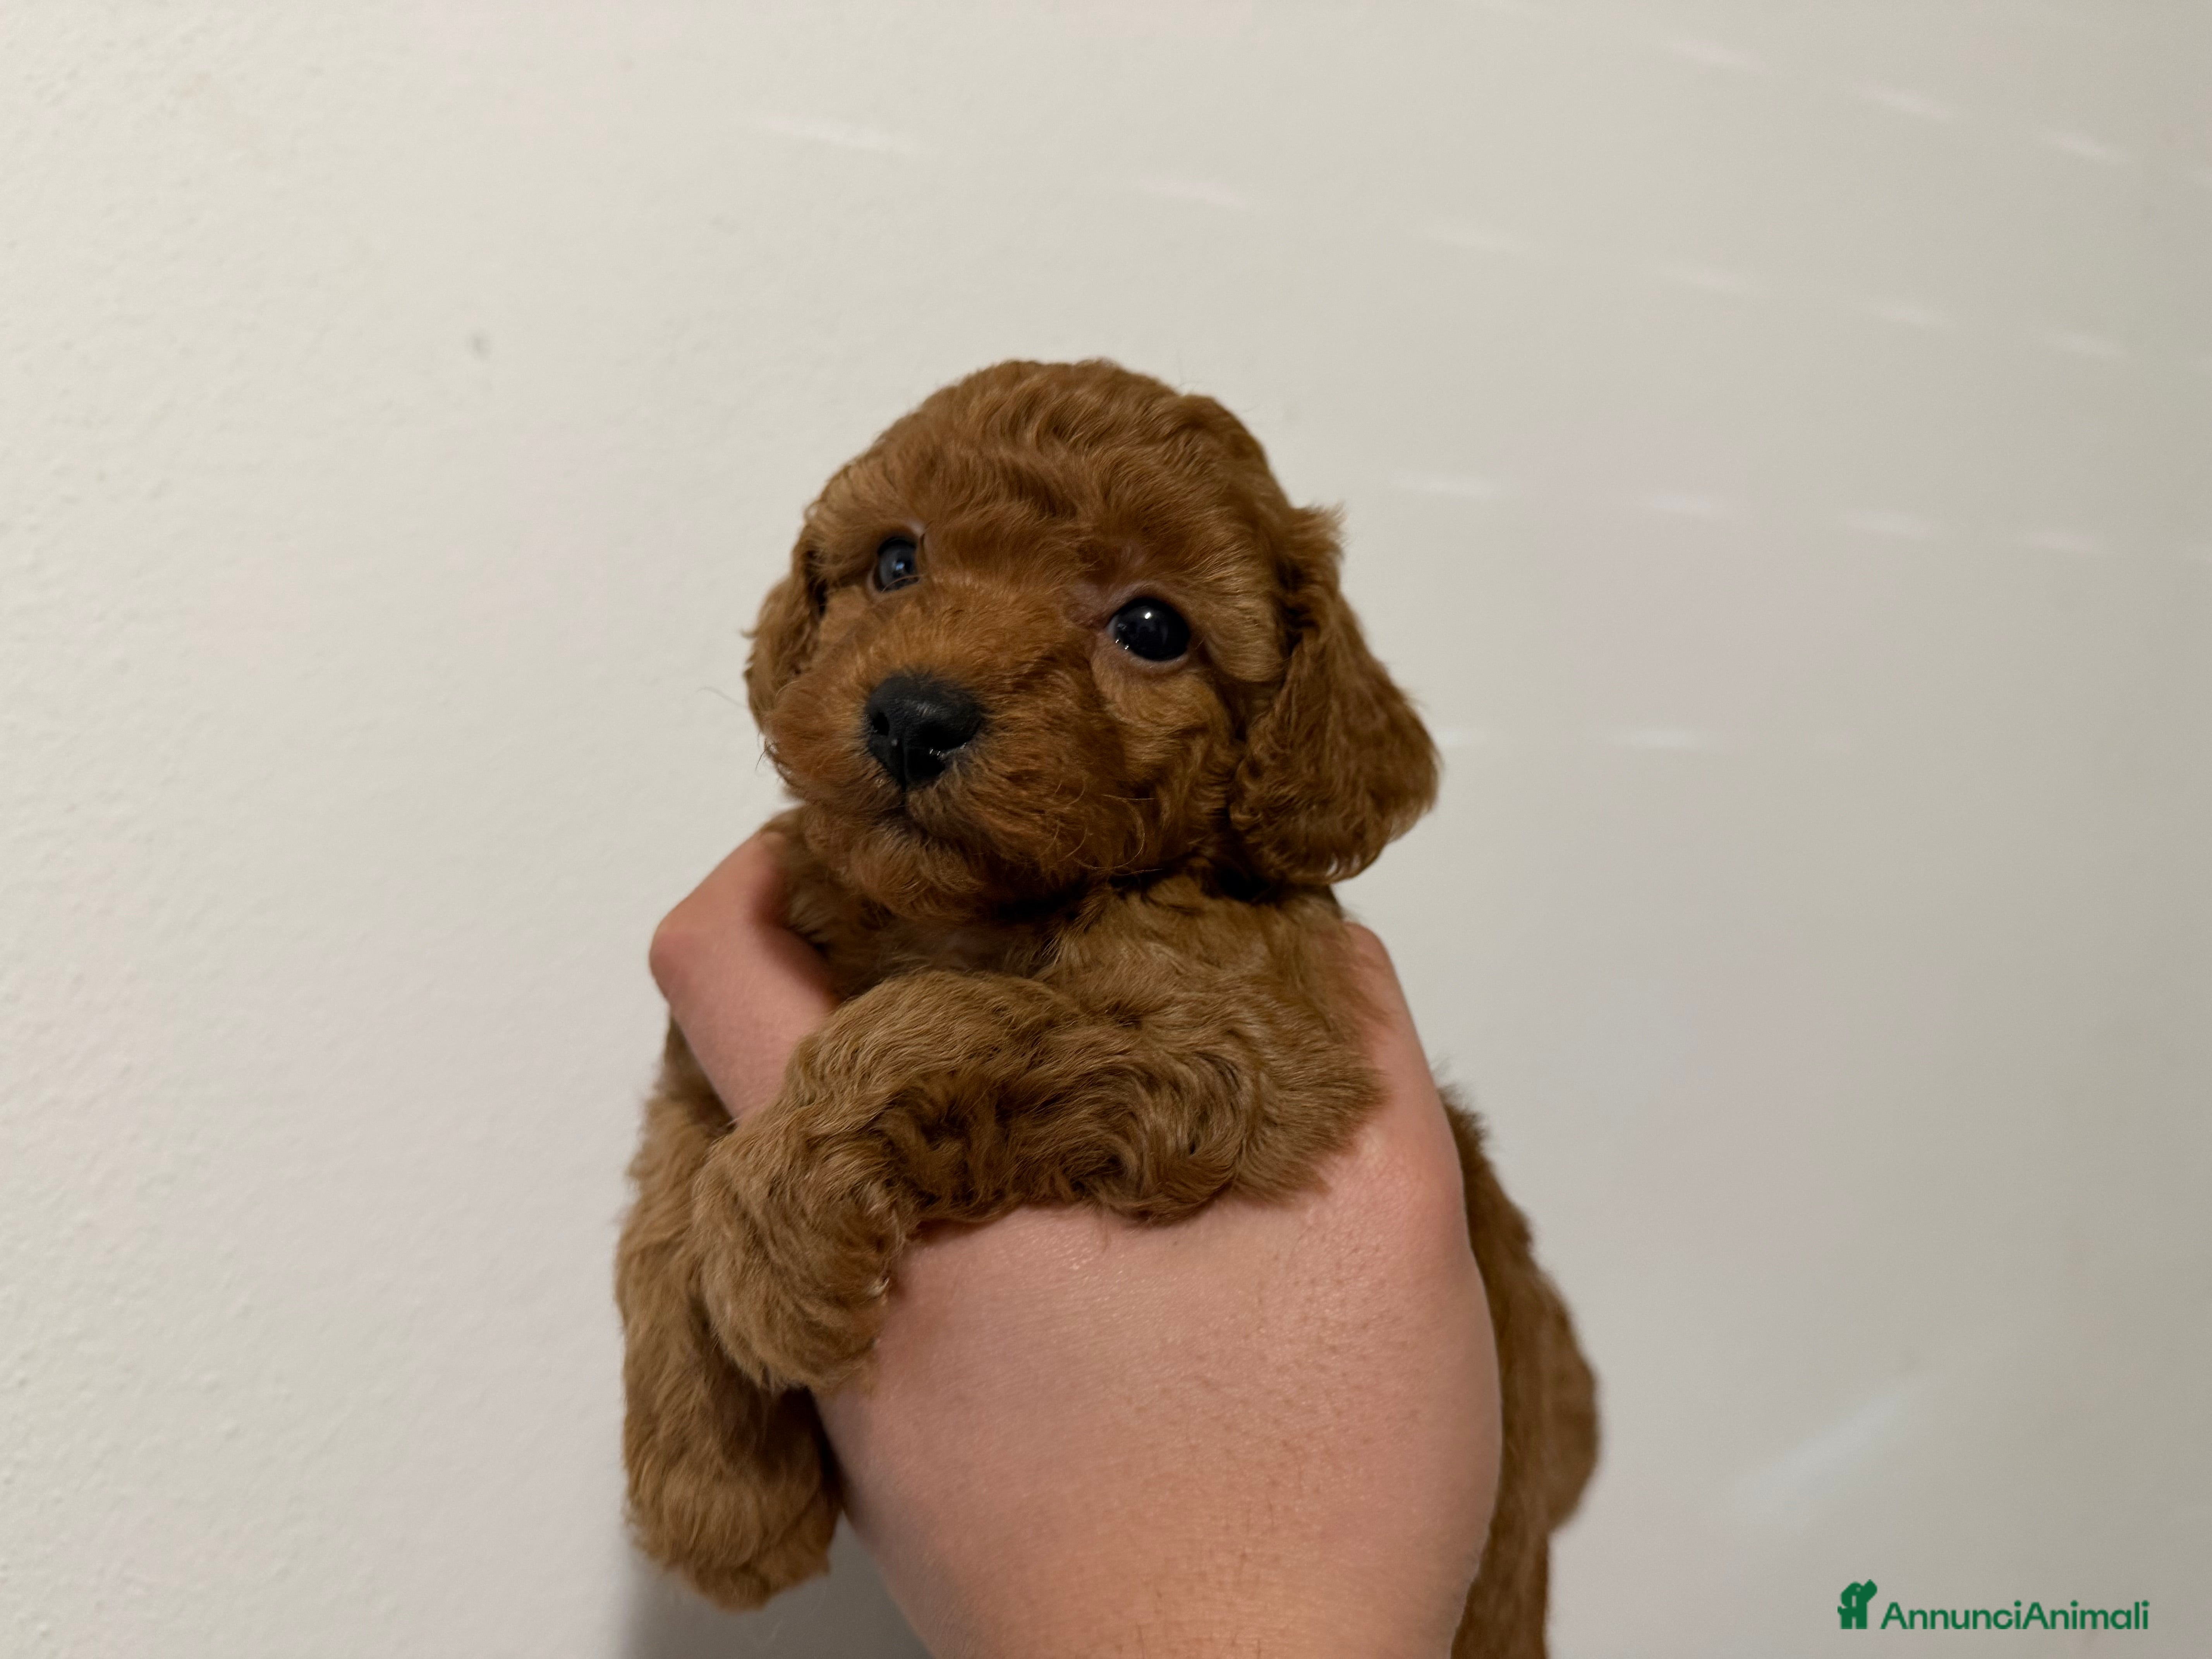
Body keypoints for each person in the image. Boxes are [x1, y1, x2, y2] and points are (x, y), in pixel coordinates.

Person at [647, 832, 1503, 1657]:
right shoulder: (823, 885)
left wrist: (869, 1115)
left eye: (1157, 667)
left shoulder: (1217, 919)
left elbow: (1219, 1082)